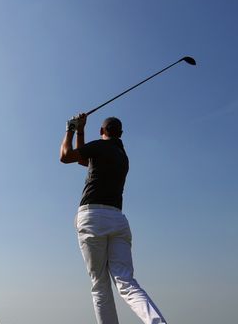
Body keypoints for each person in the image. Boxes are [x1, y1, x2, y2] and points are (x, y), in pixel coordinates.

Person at [60, 114, 167, 324]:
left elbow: (66, 156)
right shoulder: (122, 156)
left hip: (92, 217)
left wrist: (70, 129)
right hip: (117, 219)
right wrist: (81, 131)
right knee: (126, 282)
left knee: (100, 285)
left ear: (102, 132)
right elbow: (84, 160)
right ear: (121, 134)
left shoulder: (99, 147)